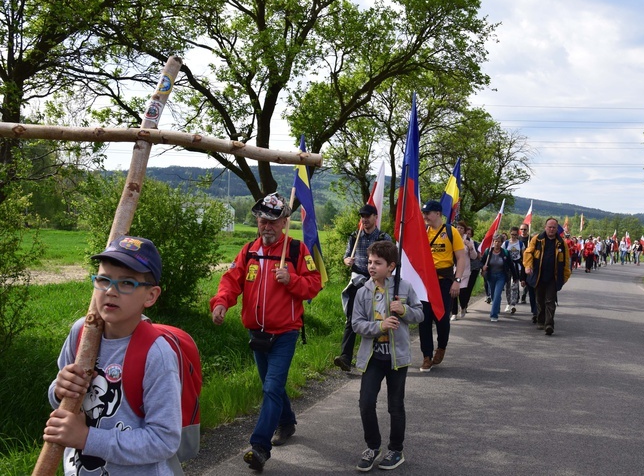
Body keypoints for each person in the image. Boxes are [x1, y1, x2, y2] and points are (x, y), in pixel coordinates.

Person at [45, 236, 183, 475]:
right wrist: (59, 390)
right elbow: (61, 399)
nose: (110, 291)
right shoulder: (82, 332)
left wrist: (87, 438)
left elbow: (164, 440)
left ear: (150, 296)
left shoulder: (156, 353)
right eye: (103, 279)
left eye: (127, 283)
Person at [210, 192, 322, 472]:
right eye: (262, 220)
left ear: (285, 222)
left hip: (285, 333)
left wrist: (291, 280)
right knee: (271, 386)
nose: (266, 226)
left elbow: (314, 284)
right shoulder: (249, 250)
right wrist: (222, 302)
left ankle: (259, 447)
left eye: (273, 221)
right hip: (256, 334)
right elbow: (231, 281)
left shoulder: (296, 251)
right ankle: (286, 422)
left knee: (272, 387)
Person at [352, 241, 424, 472]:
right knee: (366, 403)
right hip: (373, 357)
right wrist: (380, 326)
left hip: (396, 359)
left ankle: (396, 449)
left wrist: (404, 311)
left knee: (395, 406)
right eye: (370, 262)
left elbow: (420, 315)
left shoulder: (404, 288)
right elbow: (356, 324)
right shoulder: (363, 291)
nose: (371, 267)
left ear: (391, 266)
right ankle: (373, 447)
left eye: (378, 263)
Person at [335, 204, 392, 372]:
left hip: (376, 282)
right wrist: (347, 261)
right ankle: (345, 356)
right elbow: (346, 256)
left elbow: (391, 263)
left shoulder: (383, 237)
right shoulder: (355, 236)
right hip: (358, 281)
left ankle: (378, 356)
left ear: (375, 217)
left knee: (377, 319)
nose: (364, 219)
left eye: (368, 216)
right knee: (353, 319)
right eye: (362, 216)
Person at [419, 200, 468, 372]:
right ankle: (426, 356)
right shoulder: (423, 231)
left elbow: (461, 258)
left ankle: (441, 347)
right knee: (423, 318)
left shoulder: (451, 231)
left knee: (441, 318)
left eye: (428, 213)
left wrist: (457, 280)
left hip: (444, 280)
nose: (425, 216)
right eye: (424, 213)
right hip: (425, 282)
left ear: (438, 213)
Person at [523, 218, 571, 336]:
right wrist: (528, 266)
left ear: (557, 229)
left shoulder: (561, 243)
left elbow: (566, 261)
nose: (551, 229)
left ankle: (549, 324)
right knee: (539, 300)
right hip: (539, 276)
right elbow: (528, 252)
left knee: (550, 301)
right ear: (545, 227)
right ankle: (540, 320)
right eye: (549, 227)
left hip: (553, 278)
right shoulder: (537, 239)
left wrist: (564, 277)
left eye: (554, 227)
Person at [481, 233, 517, 322]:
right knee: (493, 295)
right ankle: (497, 307)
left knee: (497, 295)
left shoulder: (505, 253)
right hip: (490, 276)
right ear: (493, 242)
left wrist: (516, 277)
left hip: (501, 276)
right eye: (495, 241)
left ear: (502, 243)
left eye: (499, 242)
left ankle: (494, 315)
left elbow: (511, 265)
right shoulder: (488, 252)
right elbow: (481, 262)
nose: (497, 243)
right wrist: (483, 267)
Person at [451, 221, 478, 321]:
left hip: (465, 271)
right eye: (458, 227)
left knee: (462, 292)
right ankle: (454, 313)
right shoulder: (452, 238)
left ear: (465, 230)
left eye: (461, 228)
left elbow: (474, 256)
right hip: (453, 269)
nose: (459, 230)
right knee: (453, 292)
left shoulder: (468, 240)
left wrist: (470, 247)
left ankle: (463, 307)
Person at [502, 226, 524, 314]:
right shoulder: (506, 243)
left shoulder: (521, 244)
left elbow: (524, 256)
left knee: (514, 286)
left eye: (515, 235)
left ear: (518, 235)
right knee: (508, 286)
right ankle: (508, 303)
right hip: (507, 267)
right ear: (510, 234)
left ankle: (513, 304)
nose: (513, 236)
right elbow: (502, 254)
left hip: (517, 267)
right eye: (512, 234)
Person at [518, 224, 530, 303]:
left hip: (527, 262)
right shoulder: (517, 239)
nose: (523, 231)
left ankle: (524, 295)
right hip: (518, 262)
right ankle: (516, 295)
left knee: (527, 280)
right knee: (517, 280)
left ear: (528, 230)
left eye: (525, 229)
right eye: (521, 229)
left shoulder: (531, 239)